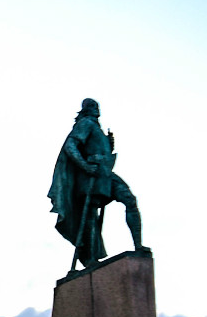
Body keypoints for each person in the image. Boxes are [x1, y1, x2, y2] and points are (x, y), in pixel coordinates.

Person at [48, 98, 143, 267]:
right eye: (91, 106)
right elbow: (70, 146)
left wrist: (109, 145)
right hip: (91, 174)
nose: (96, 108)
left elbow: (98, 149)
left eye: (96, 106)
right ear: (85, 110)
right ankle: (90, 258)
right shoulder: (85, 123)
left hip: (105, 173)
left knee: (129, 199)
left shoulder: (97, 128)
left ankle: (138, 246)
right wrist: (85, 166)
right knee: (91, 214)